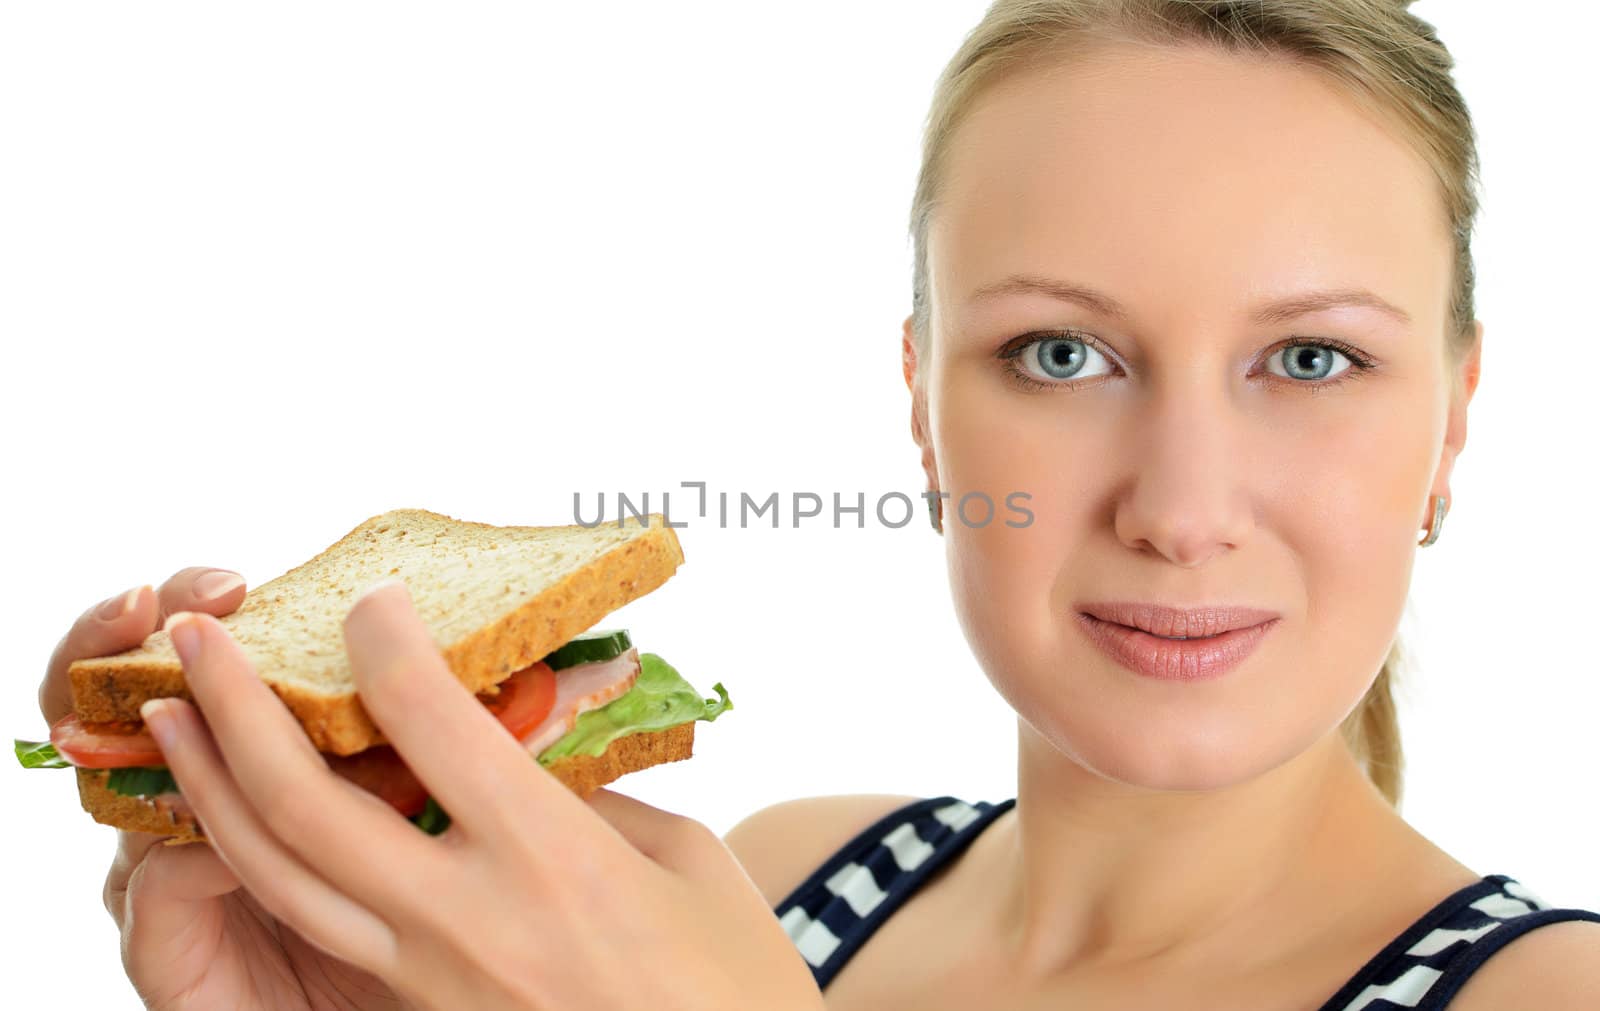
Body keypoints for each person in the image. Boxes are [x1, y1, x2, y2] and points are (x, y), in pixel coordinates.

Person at [36, 1, 1600, 1008]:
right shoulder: (774, 886)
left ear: (1456, 422)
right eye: (1060, 353)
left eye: (1313, 358)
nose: (1182, 510)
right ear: (922, 405)